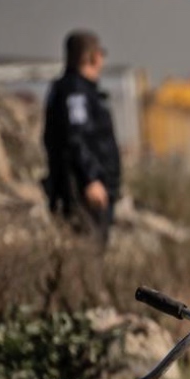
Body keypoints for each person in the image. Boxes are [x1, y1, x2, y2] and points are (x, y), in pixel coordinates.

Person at [41, 30, 121, 247]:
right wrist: (91, 178)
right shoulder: (75, 91)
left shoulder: (81, 90)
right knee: (87, 250)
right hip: (83, 190)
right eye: (100, 54)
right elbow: (75, 138)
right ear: (93, 57)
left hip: (90, 187)